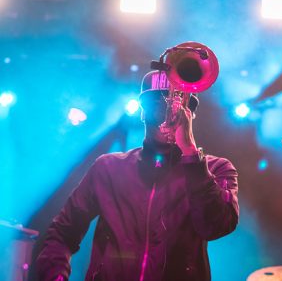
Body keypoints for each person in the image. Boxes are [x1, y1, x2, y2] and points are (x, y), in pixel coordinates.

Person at [36, 70, 239, 281]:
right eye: (158, 106)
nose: (168, 114)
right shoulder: (108, 167)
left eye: (179, 107)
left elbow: (217, 226)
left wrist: (190, 154)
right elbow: (61, 233)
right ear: (143, 112)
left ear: (191, 115)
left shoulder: (215, 169)